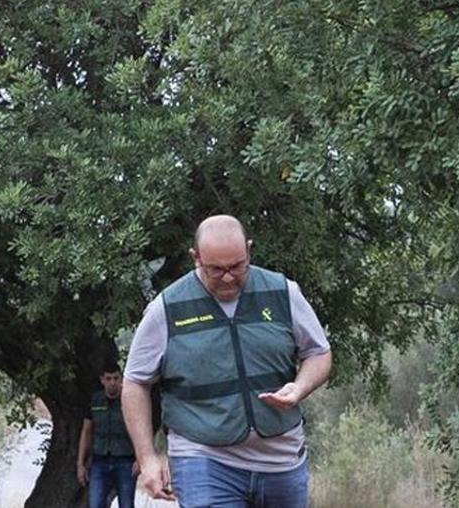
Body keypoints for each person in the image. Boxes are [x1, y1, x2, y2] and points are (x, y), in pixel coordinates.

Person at [122, 215, 332, 508]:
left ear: (248, 250)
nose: (229, 277)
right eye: (216, 270)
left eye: (237, 266)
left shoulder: (282, 292)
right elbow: (135, 382)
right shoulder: (167, 308)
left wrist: (300, 387)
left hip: (281, 459)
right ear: (195, 258)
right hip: (203, 457)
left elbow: (318, 352)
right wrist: (147, 459)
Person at [78, 361, 138, 508]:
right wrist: (80, 464)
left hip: (125, 461)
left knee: (127, 505)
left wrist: (140, 459)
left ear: (121, 379)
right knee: (95, 504)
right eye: (109, 378)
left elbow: (137, 431)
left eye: (116, 378)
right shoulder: (94, 400)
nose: (112, 383)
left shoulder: (130, 401)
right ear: (102, 380)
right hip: (99, 461)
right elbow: (86, 432)